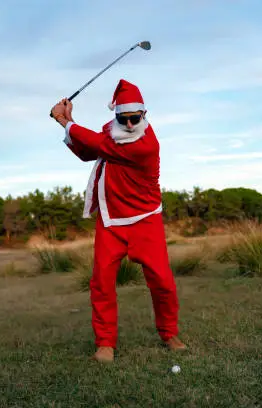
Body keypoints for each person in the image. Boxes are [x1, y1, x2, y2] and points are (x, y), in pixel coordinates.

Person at [50, 79, 186, 363]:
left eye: (134, 119)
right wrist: (68, 122)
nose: (128, 124)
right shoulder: (111, 133)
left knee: (162, 282)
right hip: (111, 219)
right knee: (101, 282)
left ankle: (169, 332)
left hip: (145, 219)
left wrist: (64, 120)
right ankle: (105, 343)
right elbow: (89, 151)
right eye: (123, 119)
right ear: (116, 116)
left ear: (144, 115)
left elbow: (99, 145)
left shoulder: (147, 145)